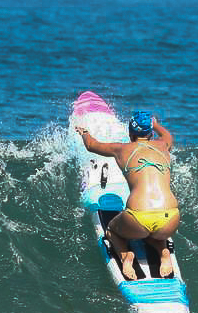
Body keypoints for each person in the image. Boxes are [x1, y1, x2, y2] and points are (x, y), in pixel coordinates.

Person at [74, 111, 179, 281]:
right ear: (151, 132)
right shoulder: (164, 144)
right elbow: (168, 135)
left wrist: (84, 132)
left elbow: (92, 145)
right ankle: (163, 251)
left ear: (130, 134)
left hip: (138, 218)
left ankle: (125, 257)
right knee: (152, 234)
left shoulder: (121, 149)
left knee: (112, 231)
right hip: (171, 218)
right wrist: (156, 123)